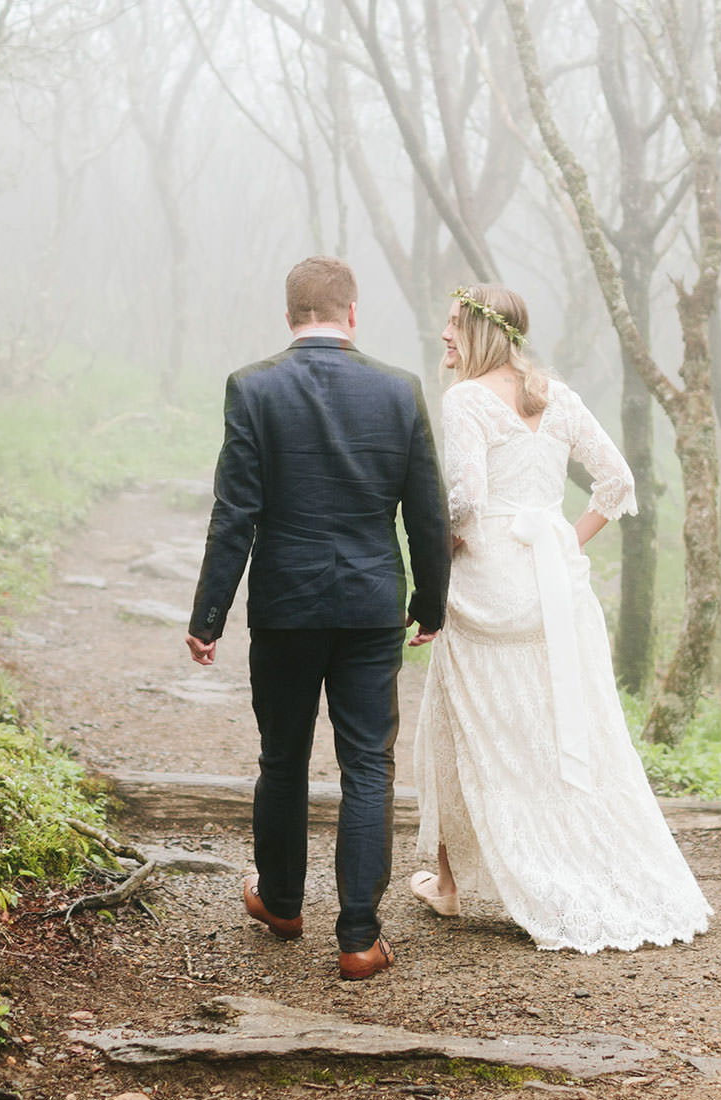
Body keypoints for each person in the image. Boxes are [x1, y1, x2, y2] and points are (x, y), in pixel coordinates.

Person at [410, 284, 710, 952]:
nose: (444, 336)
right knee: (565, 726)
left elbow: (462, 503)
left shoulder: (465, 400)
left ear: (483, 332)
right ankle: (521, 870)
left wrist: (440, 556)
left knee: (460, 723)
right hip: (555, 590)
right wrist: (564, 541)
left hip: (487, 585)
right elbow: (618, 484)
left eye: (453, 324)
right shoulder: (557, 394)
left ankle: (452, 885)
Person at [185, 256, 449, 981]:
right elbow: (427, 511)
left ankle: (281, 901)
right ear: (353, 313)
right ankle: (360, 939)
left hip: (286, 605)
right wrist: (430, 602)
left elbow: (235, 511)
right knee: (368, 766)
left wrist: (209, 614)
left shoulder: (253, 388)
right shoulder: (400, 391)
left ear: (291, 314)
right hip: (369, 608)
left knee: (283, 758)